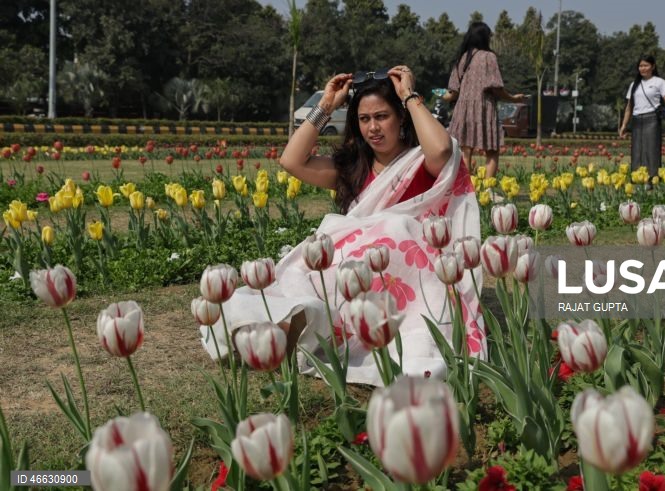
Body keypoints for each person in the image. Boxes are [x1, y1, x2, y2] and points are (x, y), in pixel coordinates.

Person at [200, 66, 484, 386]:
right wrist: (325, 106)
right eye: (365, 119)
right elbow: (291, 161)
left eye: (382, 116)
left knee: (395, 229)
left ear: (402, 117)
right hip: (351, 269)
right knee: (303, 275)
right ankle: (283, 328)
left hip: (404, 276)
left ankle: (298, 334)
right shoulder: (352, 168)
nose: (373, 128)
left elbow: (444, 149)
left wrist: (408, 95)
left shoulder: (422, 162)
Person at [444, 21, 526, 178]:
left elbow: (453, 92)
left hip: (463, 110)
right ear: (484, 38)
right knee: (492, 151)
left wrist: (443, 96)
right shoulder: (489, 57)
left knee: (465, 151)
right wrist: (513, 98)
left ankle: (468, 191)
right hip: (484, 108)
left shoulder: (463, 58)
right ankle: (488, 190)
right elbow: (496, 88)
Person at [619, 55, 665, 184]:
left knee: (651, 150)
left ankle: (653, 179)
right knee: (637, 150)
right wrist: (624, 124)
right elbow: (629, 106)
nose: (643, 68)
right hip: (637, 120)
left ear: (653, 66)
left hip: (652, 119)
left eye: (646, 65)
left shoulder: (659, 82)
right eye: (640, 66)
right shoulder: (634, 85)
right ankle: (637, 179)